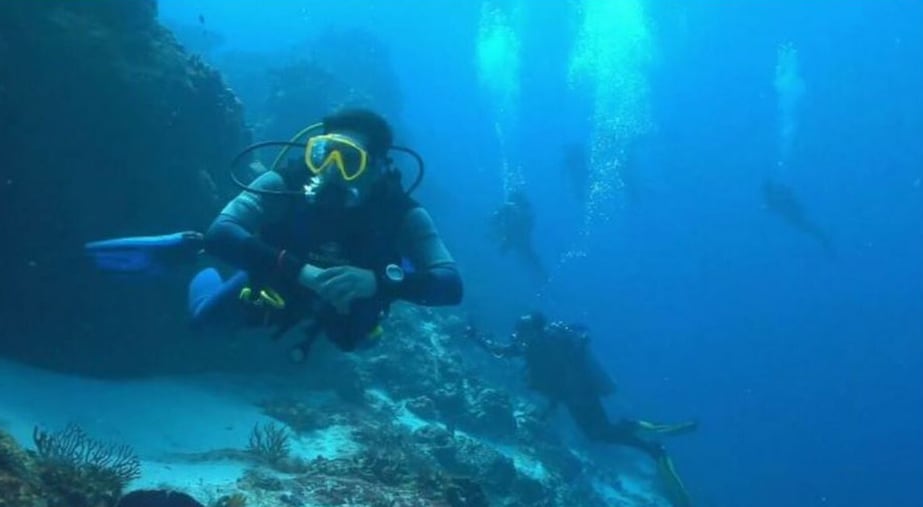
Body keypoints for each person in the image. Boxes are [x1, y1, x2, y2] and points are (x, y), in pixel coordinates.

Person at [86, 109, 463, 360]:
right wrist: (302, 272)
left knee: (358, 341)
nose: (331, 170)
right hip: (278, 280)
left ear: (378, 167)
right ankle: (191, 257)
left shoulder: (402, 213)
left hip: (352, 298)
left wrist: (379, 284)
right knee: (205, 322)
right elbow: (222, 233)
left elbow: (451, 285)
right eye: (324, 153)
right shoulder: (284, 183)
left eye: (349, 160)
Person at [467, 312, 697, 507]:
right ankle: (650, 446)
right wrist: (477, 337)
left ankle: (647, 440)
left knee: (599, 433)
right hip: (575, 398)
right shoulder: (537, 345)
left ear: (535, 330)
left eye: (523, 331)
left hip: (581, 397)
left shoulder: (549, 344)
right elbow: (503, 351)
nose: (519, 336)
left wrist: (555, 403)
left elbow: (558, 377)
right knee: (598, 434)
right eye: (519, 330)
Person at [762, 178, 833, 255]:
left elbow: (773, 206)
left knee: (807, 227)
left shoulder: (774, 195)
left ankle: (824, 238)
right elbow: (774, 206)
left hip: (794, 215)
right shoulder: (775, 194)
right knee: (807, 227)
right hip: (793, 215)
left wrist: (767, 207)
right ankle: (823, 238)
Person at [489, 189, 546, 281]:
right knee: (527, 255)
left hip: (518, 236)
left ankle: (541, 276)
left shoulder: (512, 208)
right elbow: (496, 220)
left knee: (527, 254)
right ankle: (540, 275)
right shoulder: (511, 208)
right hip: (517, 236)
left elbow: (497, 219)